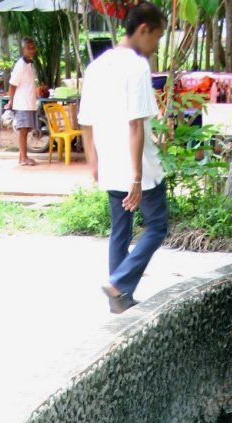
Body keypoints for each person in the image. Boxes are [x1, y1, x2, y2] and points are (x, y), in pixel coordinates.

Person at [78, 3, 168, 314]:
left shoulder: (97, 66)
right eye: (157, 36)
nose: (156, 46)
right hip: (136, 167)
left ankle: (120, 298)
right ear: (143, 29)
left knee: (121, 229)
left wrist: (94, 162)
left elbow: (85, 123)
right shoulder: (137, 67)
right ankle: (119, 284)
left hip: (109, 164)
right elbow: (135, 126)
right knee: (157, 225)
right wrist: (137, 178)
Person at [6, 37, 39, 166]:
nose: (31, 50)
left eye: (33, 48)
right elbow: (12, 84)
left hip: (29, 102)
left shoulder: (30, 64)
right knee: (23, 131)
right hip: (22, 103)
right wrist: (10, 101)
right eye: (28, 48)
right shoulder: (20, 65)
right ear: (23, 49)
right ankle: (24, 158)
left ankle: (22, 157)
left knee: (26, 130)